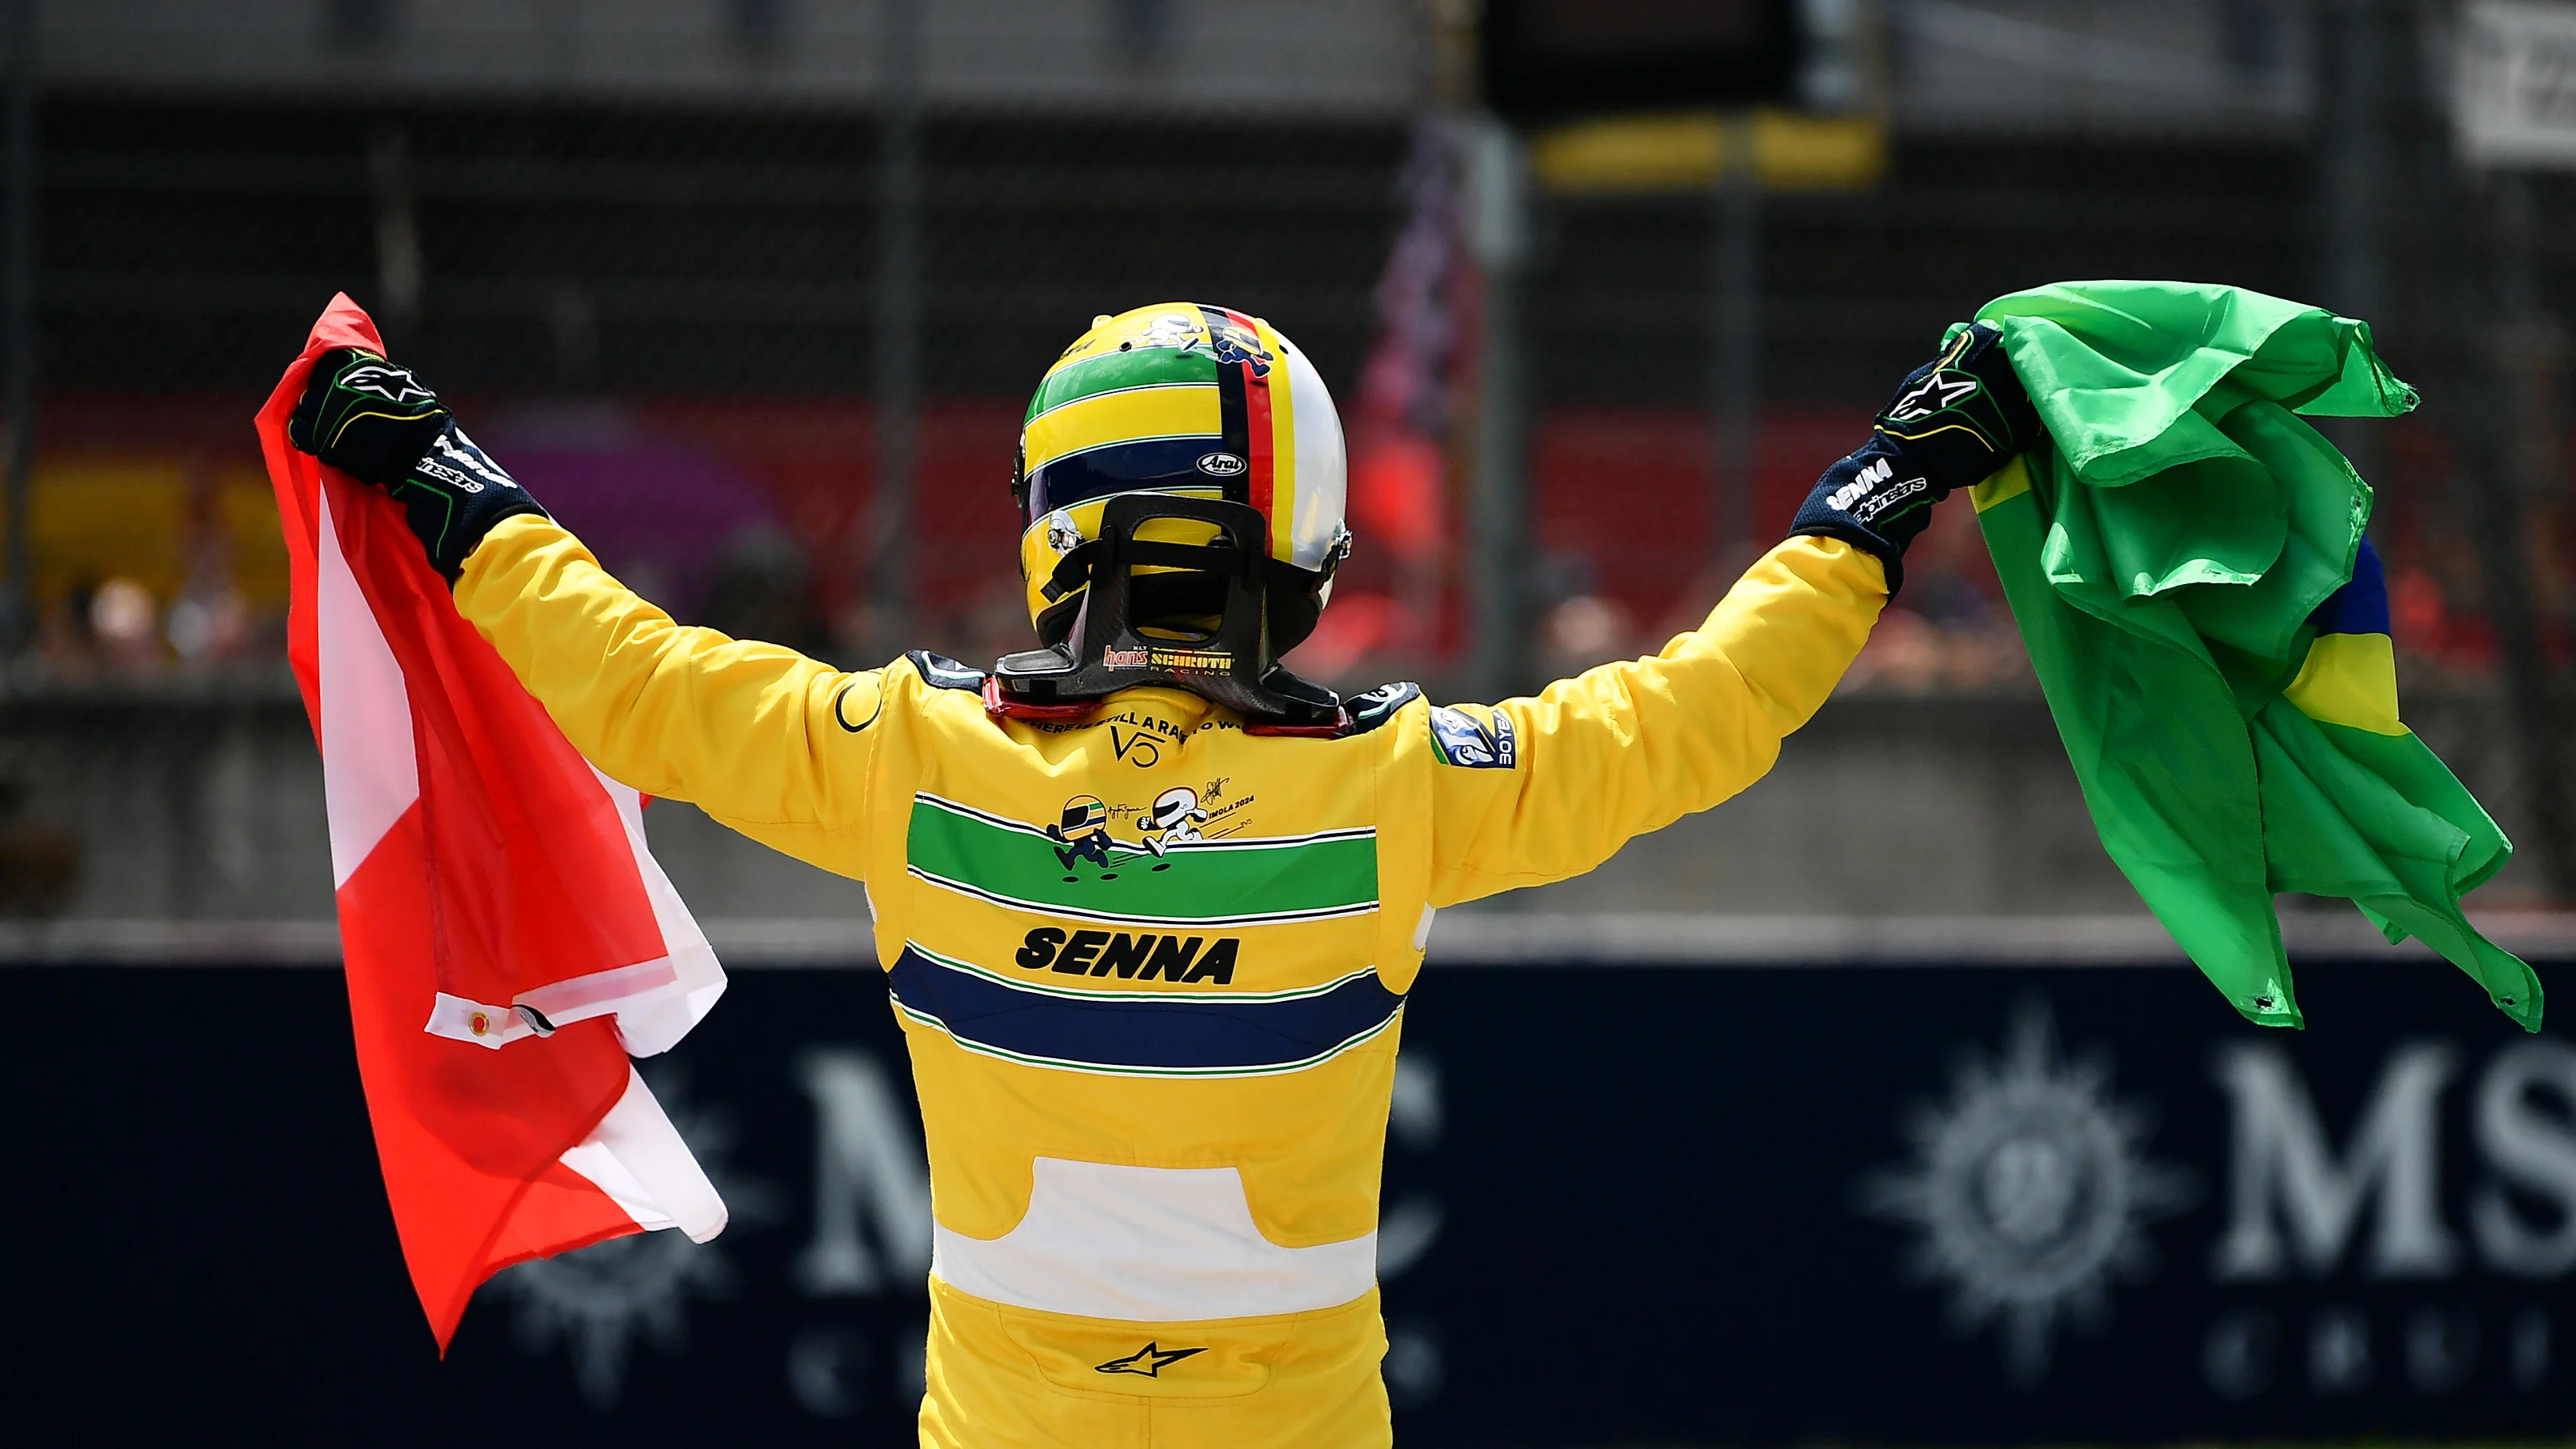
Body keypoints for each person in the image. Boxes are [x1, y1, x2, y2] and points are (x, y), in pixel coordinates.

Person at [289, 302, 2034, 1447]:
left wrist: (441, 472)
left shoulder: (900, 758)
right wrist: (1883, 486)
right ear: (1296, 544)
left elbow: (626, 672)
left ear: (1060, 530)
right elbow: (1700, 717)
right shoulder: (1393, 786)